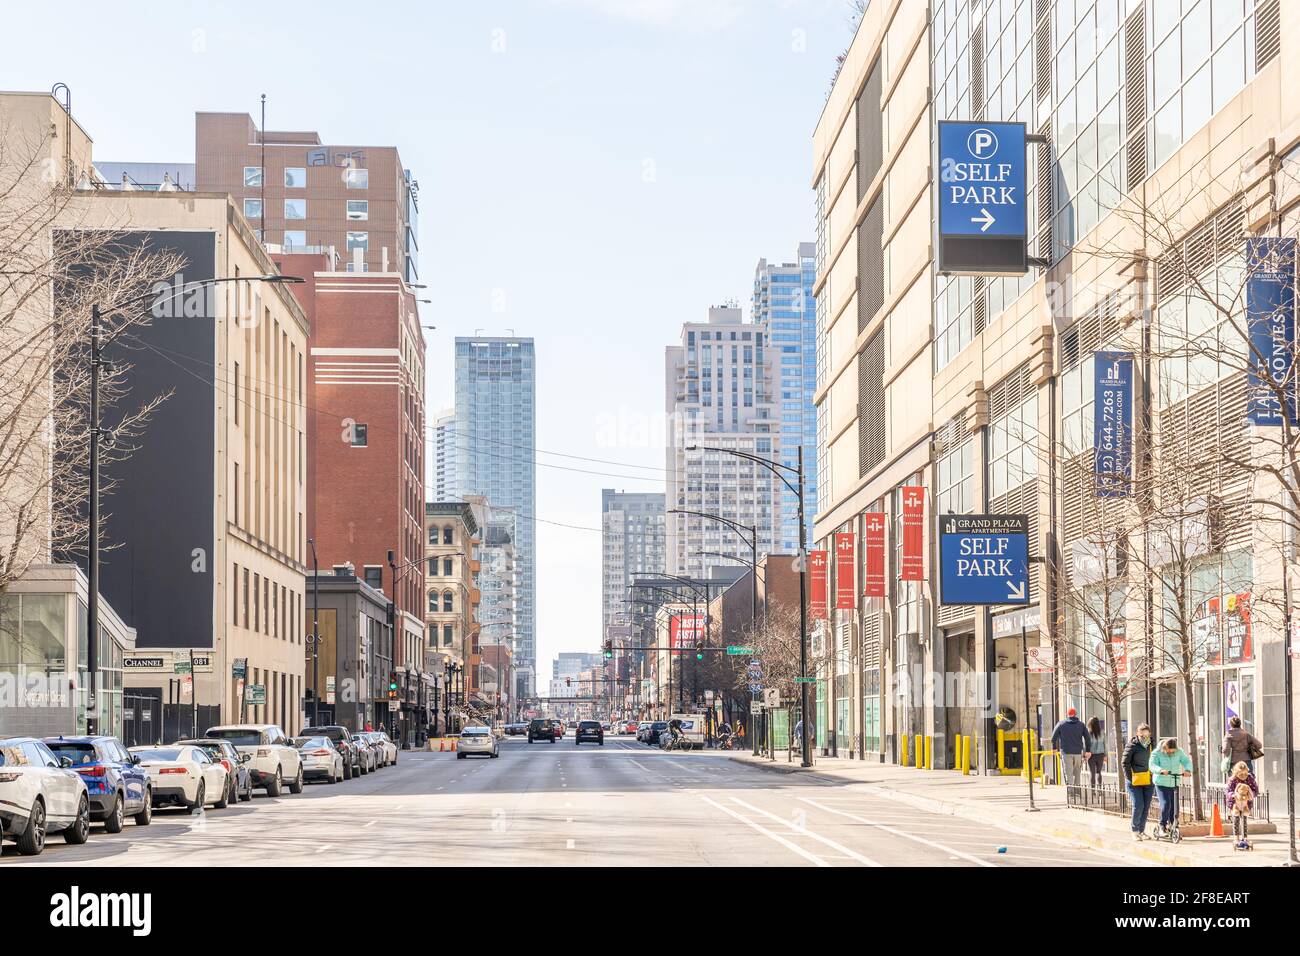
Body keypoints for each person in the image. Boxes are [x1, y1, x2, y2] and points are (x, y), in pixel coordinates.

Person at [1150, 736, 1193, 838]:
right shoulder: (1157, 752)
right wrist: (1160, 770)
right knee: (1166, 804)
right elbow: (1152, 765)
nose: (1171, 753)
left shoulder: (1179, 752)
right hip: (1161, 782)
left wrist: (1187, 770)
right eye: (1169, 751)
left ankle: (1173, 827)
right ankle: (1162, 826)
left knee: (1174, 806)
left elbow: (1186, 761)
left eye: (1172, 751)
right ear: (1165, 747)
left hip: (1174, 782)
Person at [1122, 723, 1156, 842]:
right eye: (1141, 735)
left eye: (1146, 735)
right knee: (1138, 805)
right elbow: (1124, 763)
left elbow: (1155, 759)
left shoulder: (1151, 744)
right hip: (1134, 781)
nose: (1144, 737)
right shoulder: (1132, 745)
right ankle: (1135, 831)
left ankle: (1141, 831)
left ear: (1149, 734)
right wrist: (1131, 777)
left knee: (1146, 806)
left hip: (1148, 779)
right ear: (1137, 734)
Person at [1050, 707, 1091, 788]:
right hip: (1078, 753)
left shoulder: (1061, 724)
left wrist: (1054, 748)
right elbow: (1087, 738)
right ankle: (1077, 792)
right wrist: (1088, 750)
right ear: (1075, 714)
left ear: (1067, 715)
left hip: (1066, 753)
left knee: (1068, 774)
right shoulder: (1081, 725)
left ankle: (1071, 794)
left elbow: (1053, 738)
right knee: (1077, 773)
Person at [1224, 760, 1259, 849]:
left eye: (1245, 774)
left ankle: (1245, 837)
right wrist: (1234, 796)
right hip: (1235, 803)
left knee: (1244, 819)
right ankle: (1236, 837)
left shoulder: (1250, 778)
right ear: (1236, 773)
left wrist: (1250, 796)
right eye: (1240, 774)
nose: (1243, 776)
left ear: (1247, 771)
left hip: (1246, 803)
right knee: (1236, 819)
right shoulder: (1232, 779)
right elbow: (1228, 791)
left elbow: (1255, 790)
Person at [1085, 716, 1107, 790]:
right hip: (1100, 755)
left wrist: (1084, 755)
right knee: (1099, 772)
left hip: (1091, 755)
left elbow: (1085, 745)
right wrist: (1106, 755)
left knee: (1092, 773)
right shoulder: (1102, 732)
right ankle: (1100, 789)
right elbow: (1105, 745)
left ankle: (1093, 790)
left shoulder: (1088, 733)